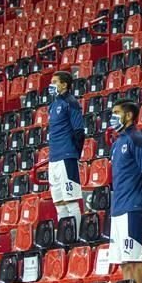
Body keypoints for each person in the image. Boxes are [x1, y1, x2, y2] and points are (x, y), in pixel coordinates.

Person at [108, 100, 142, 283]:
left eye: (116, 112)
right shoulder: (117, 143)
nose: (113, 116)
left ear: (128, 116)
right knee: (124, 262)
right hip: (118, 208)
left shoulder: (137, 139)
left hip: (133, 207)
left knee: (135, 259)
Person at [47, 71, 86, 237]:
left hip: (67, 156)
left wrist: (75, 154)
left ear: (64, 84)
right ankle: (65, 236)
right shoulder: (53, 105)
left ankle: (75, 236)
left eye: (55, 82)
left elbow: (79, 131)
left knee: (70, 200)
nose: (51, 85)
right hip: (53, 158)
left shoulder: (71, 103)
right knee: (59, 202)